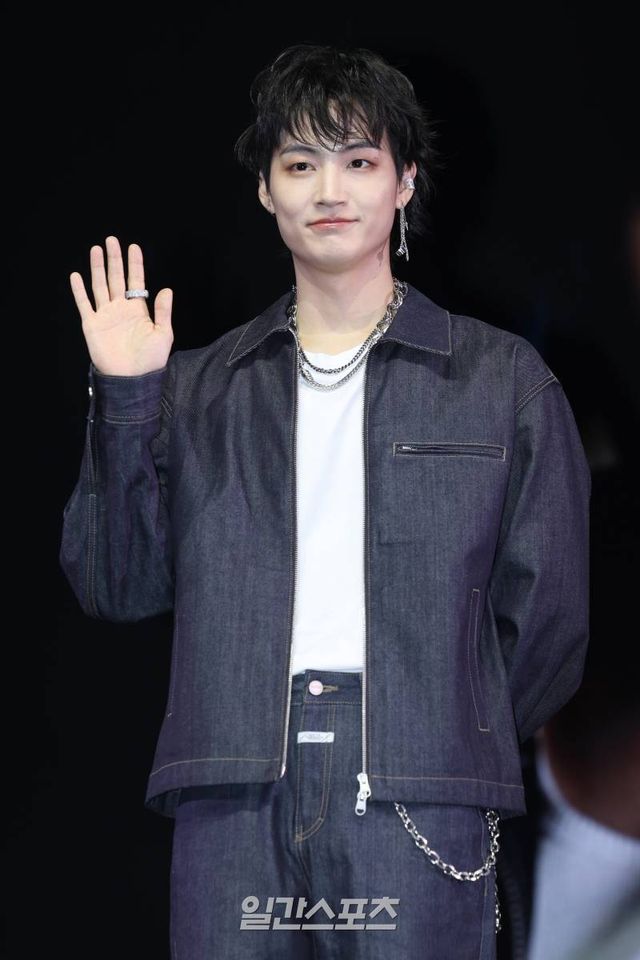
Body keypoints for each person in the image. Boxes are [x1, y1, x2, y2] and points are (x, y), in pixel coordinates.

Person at [59, 42, 591, 960]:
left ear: (406, 181)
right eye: (300, 164)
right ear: (267, 191)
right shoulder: (200, 390)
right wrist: (130, 395)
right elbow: (117, 583)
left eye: (359, 161)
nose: (329, 190)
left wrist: (454, 734)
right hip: (233, 785)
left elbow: (551, 618)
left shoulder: (501, 383)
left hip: (419, 788)